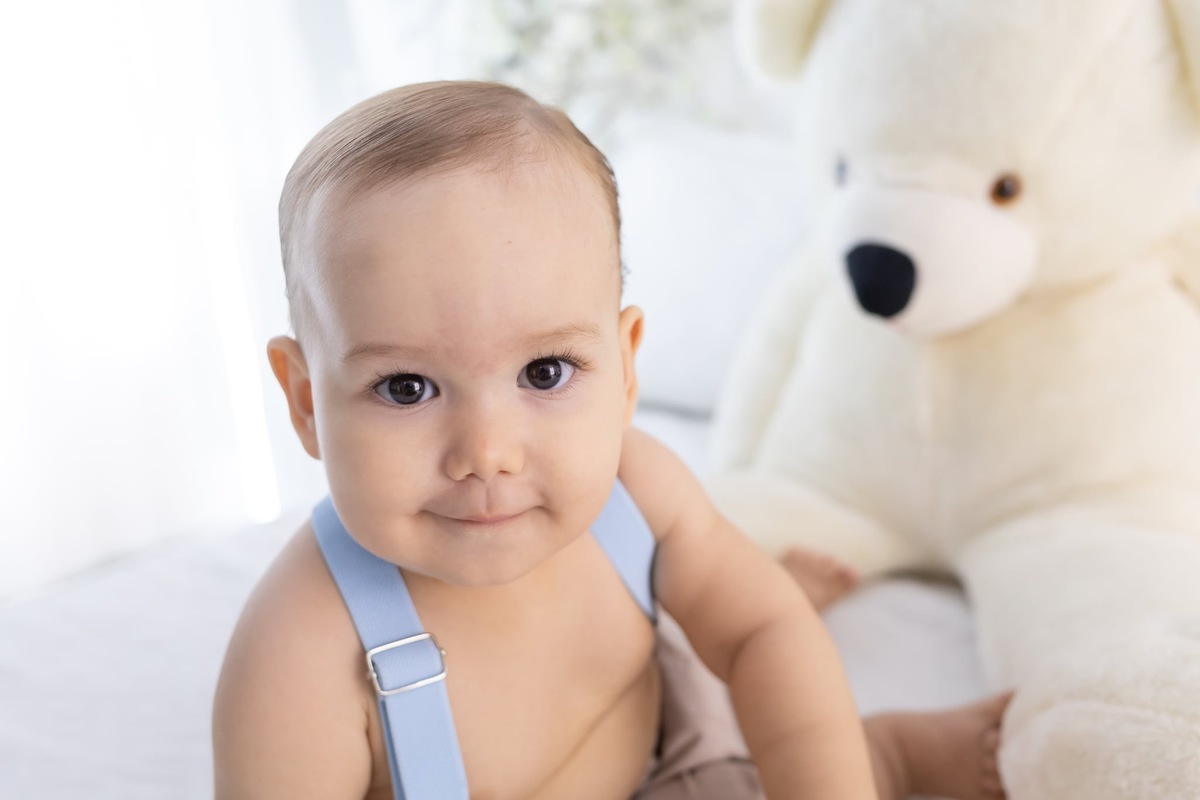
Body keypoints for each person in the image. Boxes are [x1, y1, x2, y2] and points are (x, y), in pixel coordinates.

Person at [213, 80, 1009, 800]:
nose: (488, 452)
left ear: (625, 368)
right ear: (307, 402)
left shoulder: (636, 494)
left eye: (546, 372)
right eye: (406, 388)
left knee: (769, 689)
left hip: (675, 737)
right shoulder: (299, 657)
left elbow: (763, 636)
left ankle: (889, 755)